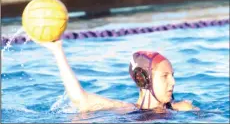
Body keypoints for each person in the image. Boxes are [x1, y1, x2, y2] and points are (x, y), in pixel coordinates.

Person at [37, 39, 198, 113]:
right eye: (165, 76)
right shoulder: (125, 110)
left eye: (172, 75)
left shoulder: (183, 108)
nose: (173, 82)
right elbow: (80, 99)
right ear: (144, 78)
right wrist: (57, 51)